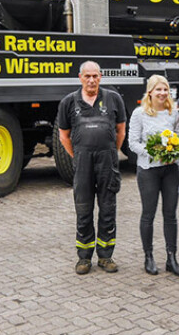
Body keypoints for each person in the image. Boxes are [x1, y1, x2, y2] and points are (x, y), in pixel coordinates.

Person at [58, 61, 127, 275]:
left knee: (108, 209)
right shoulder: (69, 102)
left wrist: (110, 153)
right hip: (83, 164)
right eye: (87, 76)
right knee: (84, 210)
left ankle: (106, 257)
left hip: (107, 163)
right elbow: (63, 135)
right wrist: (78, 156)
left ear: (101, 76)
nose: (91, 80)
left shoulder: (113, 98)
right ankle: (84, 258)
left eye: (95, 76)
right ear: (80, 77)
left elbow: (121, 131)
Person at [127, 75, 179, 277]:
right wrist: (154, 152)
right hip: (148, 170)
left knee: (170, 214)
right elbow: (132, 143)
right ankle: (149, 256)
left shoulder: (173, 113)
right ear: (150, 91)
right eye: (158, 89)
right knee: (148, 214)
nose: (162, 93)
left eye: (165, 90)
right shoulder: (139, 114)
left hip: (171, 170)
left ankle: (171, 258)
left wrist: (175, 150)